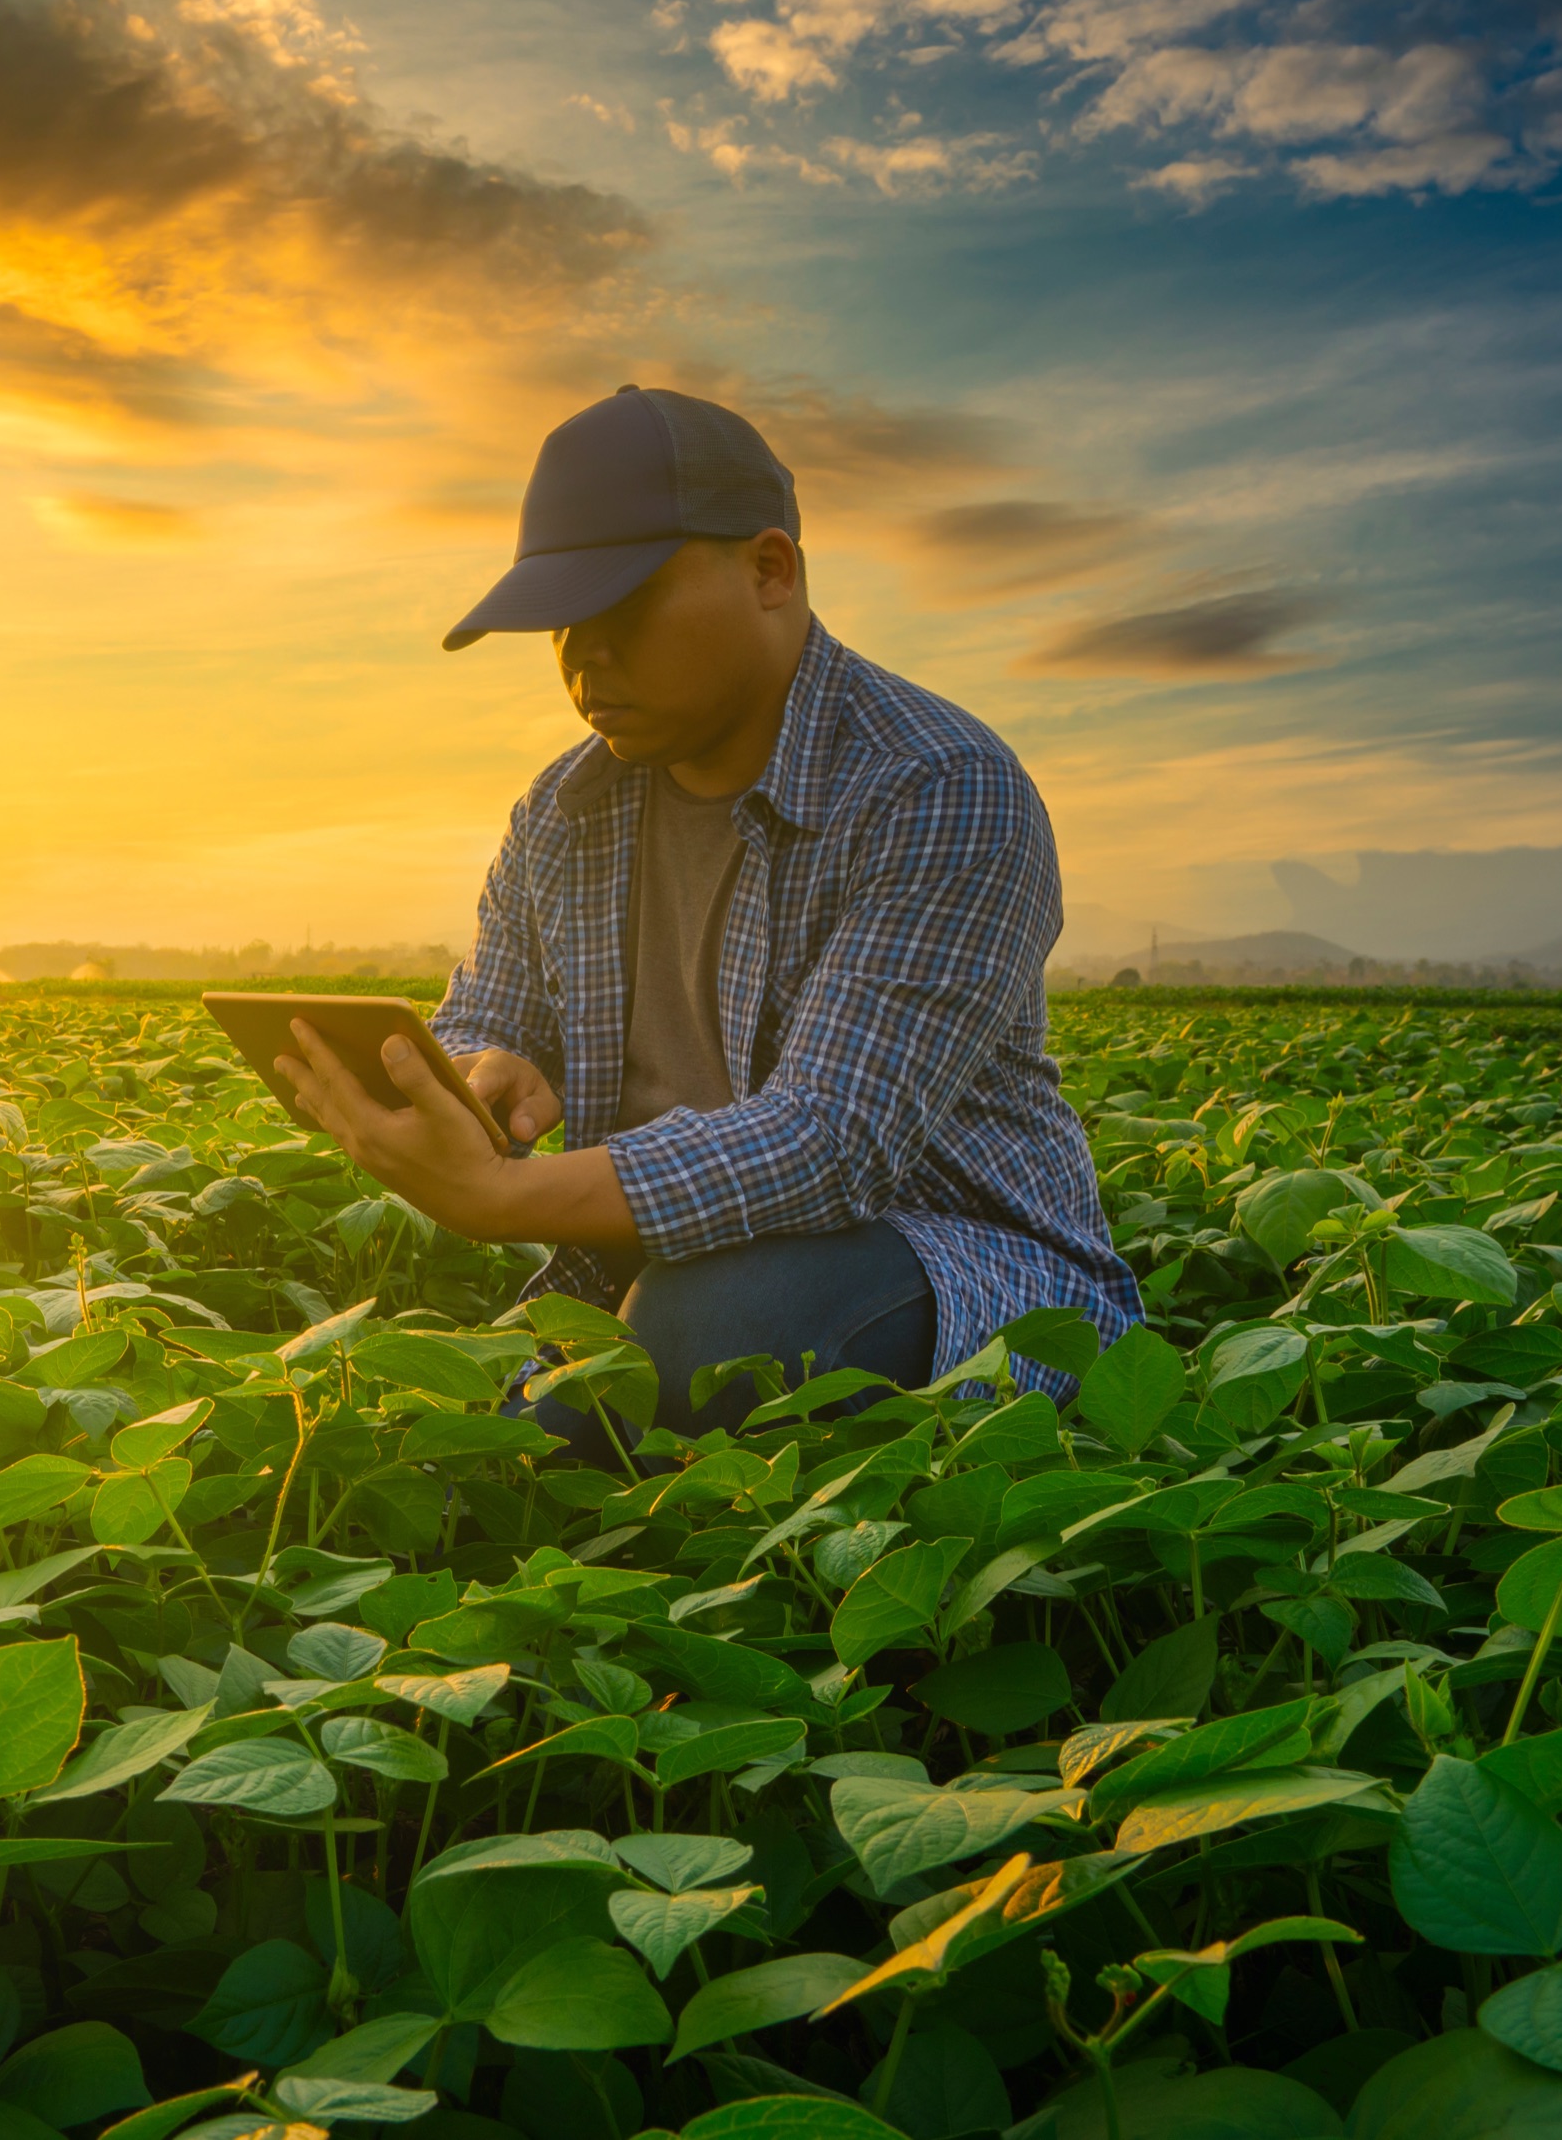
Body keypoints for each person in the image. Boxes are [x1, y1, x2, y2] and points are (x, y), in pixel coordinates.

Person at [273, 384, 1137, 1454]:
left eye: (623, 607)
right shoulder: (564, 810)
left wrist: (501, 1193)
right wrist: (477, 1073)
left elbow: (832, 1141)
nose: (585, 658)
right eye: (560, 625)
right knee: (440, 1414)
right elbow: (481, 1012)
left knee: (719, 1330)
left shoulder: (941, 786)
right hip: (654, 1277)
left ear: (769, 571)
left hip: (955, 1268)